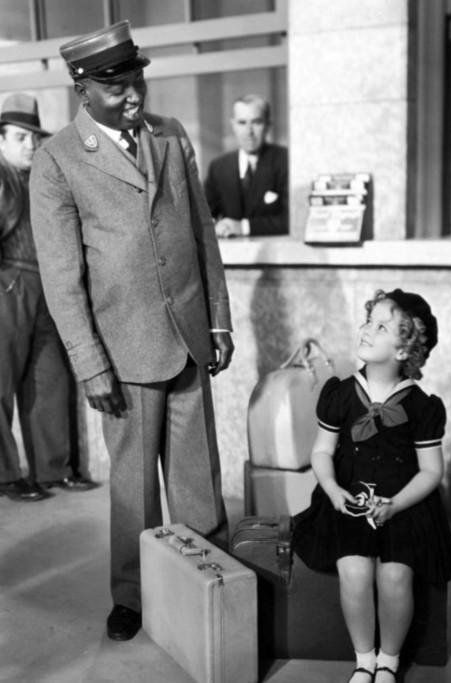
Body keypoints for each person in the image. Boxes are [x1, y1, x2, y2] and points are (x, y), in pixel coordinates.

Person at [29, 21, 234, 642]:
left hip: (190, 338)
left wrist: (218, 318)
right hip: (122, 355)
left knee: (199, 483)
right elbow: (62, 279)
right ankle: (134, 596)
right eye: (116, 87)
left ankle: (213, 587)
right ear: (83, 90)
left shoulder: (170, 135)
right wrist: (90, 365)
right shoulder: (57, 159)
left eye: (137, 81)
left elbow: (201, 232)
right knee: (134, 487)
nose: (133, 96)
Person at [292, 289, 451, 683]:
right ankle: (364, 660)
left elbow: (431, 471)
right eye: (369, 321)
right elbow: (322, 451)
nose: (367, 329)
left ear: (403, 350)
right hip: (348, 500)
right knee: (354, 571)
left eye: (382, 327)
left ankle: (388, 661)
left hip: (402, 505)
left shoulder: (421, 407)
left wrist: (396, 504)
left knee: (395, 577)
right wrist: (332, 489)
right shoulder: (340, 394)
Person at [0, 92, 97, 503]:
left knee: (50, 380)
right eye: (19, 137)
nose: (29, 145)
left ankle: (53, 469)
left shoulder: (39, 177)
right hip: (8, 284)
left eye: (33, 137)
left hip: (44, 285)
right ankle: (6, 476)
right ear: (0, 140)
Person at [204, 93, 288, 237]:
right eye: (242, 123)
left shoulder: (285, 160)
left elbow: (293, 220)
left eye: (256, 122)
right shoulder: (218, 167)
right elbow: (204, 216)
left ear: (268, 125)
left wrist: (243, 227)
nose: (249, 132)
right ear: (233, 125)